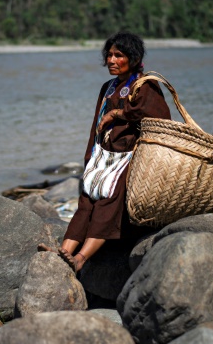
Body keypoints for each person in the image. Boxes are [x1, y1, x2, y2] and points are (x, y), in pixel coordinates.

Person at [41, 32, 170, 272]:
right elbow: (96, 123)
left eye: (118, 55)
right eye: (109, 55)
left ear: (133, 58)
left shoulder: (146, 84)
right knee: (87, 196)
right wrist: (90, 156)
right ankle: (66, 251)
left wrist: (118, 114)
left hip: (131, 155)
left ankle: (82, 258)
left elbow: (158, 116)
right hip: (105, 155)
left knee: (109, 199)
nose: (111, 60)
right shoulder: (108, 87)